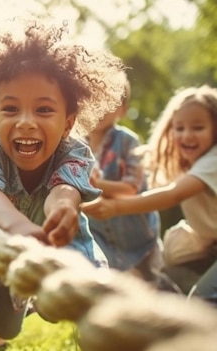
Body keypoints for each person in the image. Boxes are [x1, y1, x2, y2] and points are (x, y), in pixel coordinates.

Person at [0, 18, 127, 350]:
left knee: (9, 327)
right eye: (10, 109)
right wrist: (17, 226)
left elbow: (64, 189)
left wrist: (63, 209)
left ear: (68, 122)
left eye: (44, 109)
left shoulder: (73, 154)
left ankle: (10, 325)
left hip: (25, 250)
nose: (26, 122)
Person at [82, 85, 217, 314]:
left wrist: (115, 207)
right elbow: (153, 183)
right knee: (168, 281)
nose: (186, 135)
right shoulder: (187, 163)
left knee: (207, 299)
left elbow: (173, 194)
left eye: (197, 127)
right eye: (179, 128)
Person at [85, 73, 164, 286]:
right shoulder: (76, 145)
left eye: (108, 102)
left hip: (136, 235)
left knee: (151, 286)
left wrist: (94, 185)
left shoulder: (128, 141)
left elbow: (131, 188)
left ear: (122, 110)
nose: (99, 108)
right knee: (105, 285)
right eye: (93, 100)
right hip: (100, 234)